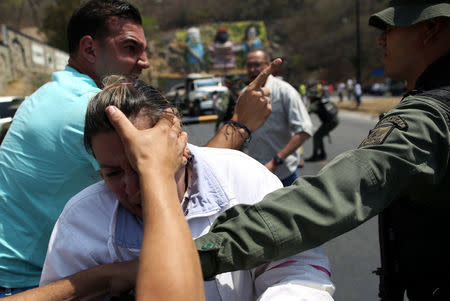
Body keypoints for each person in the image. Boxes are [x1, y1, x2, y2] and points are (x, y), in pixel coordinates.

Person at [191, 2, 450, 300]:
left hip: (276, 183)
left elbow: (333, 193)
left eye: (390, 30)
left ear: (430, 29)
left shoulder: (426, 119)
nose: (381, 39)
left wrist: (198, 253)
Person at [40, 78, 335, 300]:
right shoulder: (80, 220)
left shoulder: (246, 178)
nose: (131, 188)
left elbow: (298, 270)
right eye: (112, 173)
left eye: (143, 162)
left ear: (178, 143)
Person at [0, 0, 149, 294]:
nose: (144, 62)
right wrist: (239, 125)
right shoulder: (88, 110)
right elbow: (176, 192)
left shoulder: (51, 92)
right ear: (90, 49)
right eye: (131, 48)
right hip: (31, 284)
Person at [244, 49, 313, 186]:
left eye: (257, 64)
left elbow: (304, 130)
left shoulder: (285, 91)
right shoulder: (245, 94)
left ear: (268, 65)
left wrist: (276, 161)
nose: (252, 69)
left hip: (283, 175)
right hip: (256, 176)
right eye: (249, 65)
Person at [305, 88, 339, 162]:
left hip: (330, 122)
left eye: (310, 96)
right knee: (319, 136)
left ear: (313, 96)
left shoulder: (315, 103)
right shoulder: (324, 100)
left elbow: (306, 112)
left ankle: (314, 156)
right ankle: (322, 154)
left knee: (316, 136)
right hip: (335, 120)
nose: (309, 98)